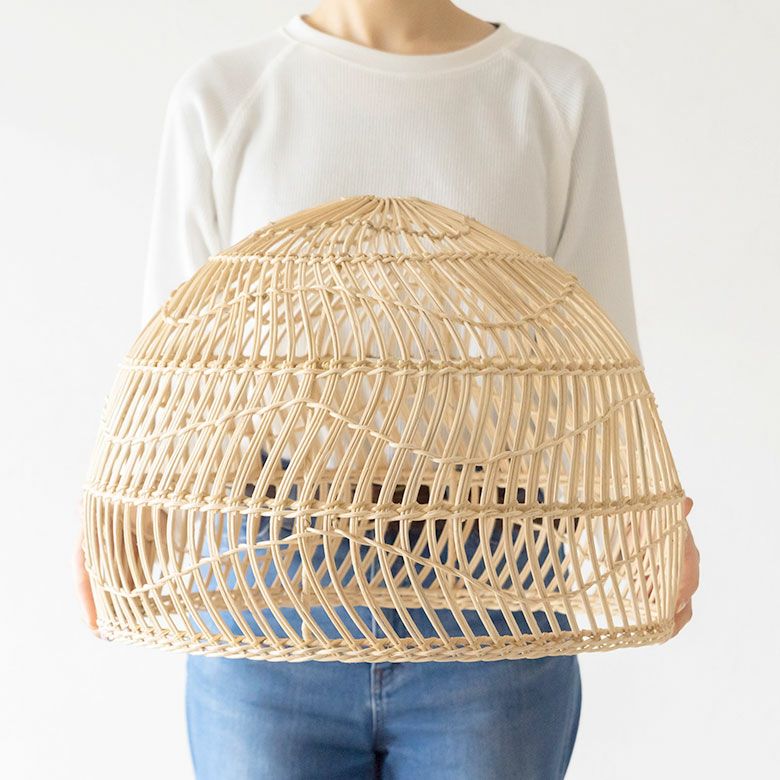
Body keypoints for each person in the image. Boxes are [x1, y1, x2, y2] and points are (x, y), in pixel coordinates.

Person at [73, 2, 701, 777]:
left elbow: (596, 354)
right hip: (270, 582)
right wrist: (129, 519)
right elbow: (179, 368)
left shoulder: (551, 91)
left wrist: (643, 526)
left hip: (493, 584)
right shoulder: (225, 95)